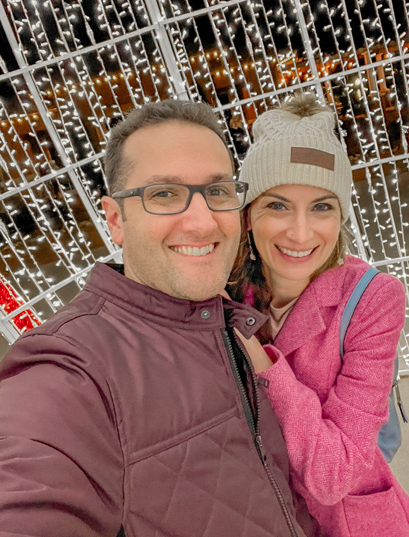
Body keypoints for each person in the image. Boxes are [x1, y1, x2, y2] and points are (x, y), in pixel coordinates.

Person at [0, 99, 312, 537]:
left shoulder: (229, 315)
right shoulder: (72, 365)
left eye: (218, 191)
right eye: (163, 194)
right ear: (116, 220)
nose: (203, 223)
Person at [229, 92, 409, 537]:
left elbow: (332, 475)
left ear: (340, 215)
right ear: (247, 216)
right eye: (277, 204)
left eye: (321, 206)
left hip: (351, 524)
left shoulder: (372, 299)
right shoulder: (224, 294)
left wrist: (266, 366)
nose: (300, 233)